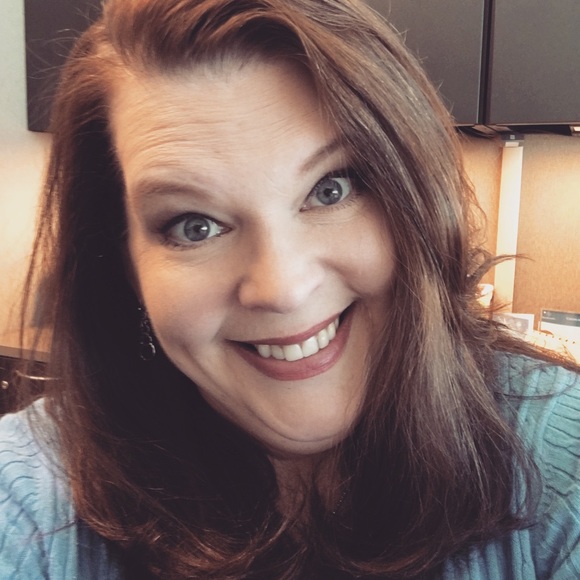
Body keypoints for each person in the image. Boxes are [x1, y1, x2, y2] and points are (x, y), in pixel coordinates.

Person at [2, 0, 580, 578]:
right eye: (194, 226)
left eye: (331, 189)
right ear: (126, 267)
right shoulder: (32, 500)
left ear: (413, 196)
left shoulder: (560, 463)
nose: (283, 288)